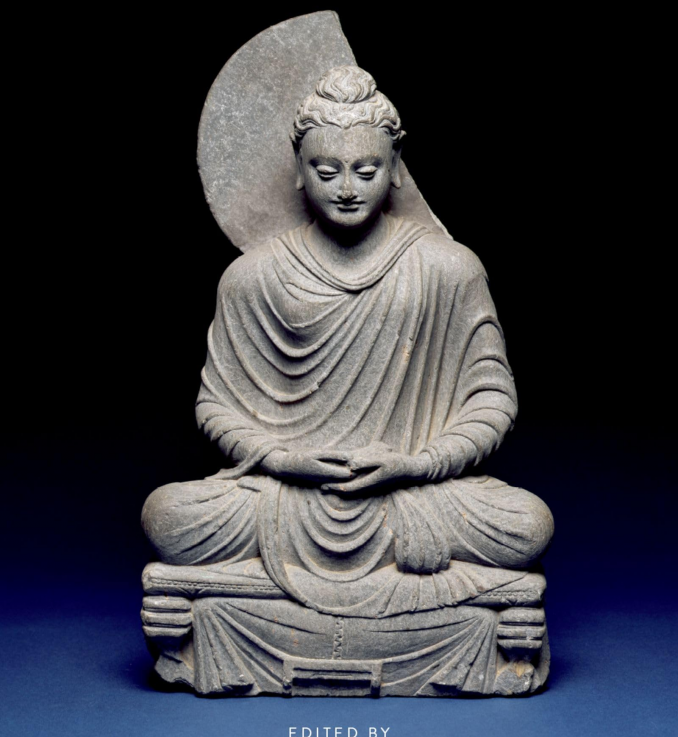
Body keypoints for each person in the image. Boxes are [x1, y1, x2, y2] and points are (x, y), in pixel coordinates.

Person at [141, 65, 553, 694]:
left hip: (409, 498)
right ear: (298, 170)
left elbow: (491, 399)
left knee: (526, 524)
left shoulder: (448, 268)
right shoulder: (253, 277)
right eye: (326, 170)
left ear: (396, 168)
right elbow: (216, 406)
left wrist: (417, 465)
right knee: (169, 516)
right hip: (288, 499)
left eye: (366, 170)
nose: (347, 189)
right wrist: (284, 459)